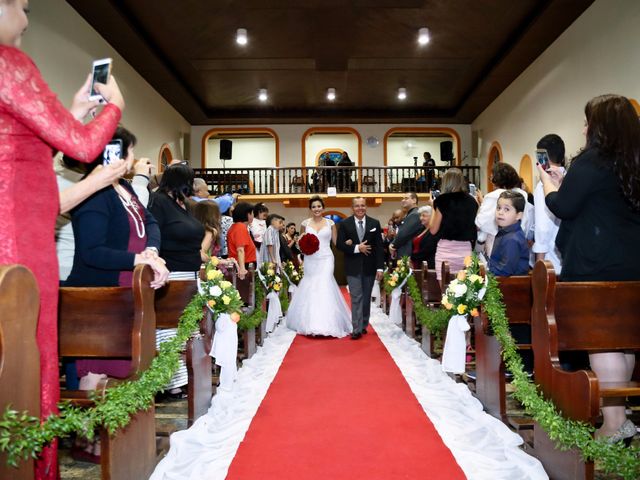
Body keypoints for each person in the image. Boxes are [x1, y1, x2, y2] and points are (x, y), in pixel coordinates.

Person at [0, 3, 127, 475]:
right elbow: (83, 148)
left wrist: (73, 111)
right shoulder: (8, 61)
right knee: (27, 356)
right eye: (24, 7)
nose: (28, 20)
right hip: (17, 234)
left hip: (13, 222)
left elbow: (26, 145)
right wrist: (115, 105)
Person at [537, 94, 640, 443]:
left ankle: (614, 424)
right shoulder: (634, 160)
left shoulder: (593, 159)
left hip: (597, 265)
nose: (584, 128)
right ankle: (621, 418)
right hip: (633, 264)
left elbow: (565, 207)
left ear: (599, 126)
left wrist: (551, 186)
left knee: (602, 341)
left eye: (587, 121)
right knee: (623, 341)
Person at [286, 196, 351, 337]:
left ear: (323, 207)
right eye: (314, 207)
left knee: (325, 284)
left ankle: (328, 323)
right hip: (311, 259)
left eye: (319, 206)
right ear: (310, 209)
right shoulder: (305, 223)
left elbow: (336, 242)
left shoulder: (330, 223)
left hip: (326, 258)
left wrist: (349, 243)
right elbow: (301, 243)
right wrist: (302, 247)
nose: (316, 209)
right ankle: (312, 323)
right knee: (312, 286)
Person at [336, 197, 384, 339]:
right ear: (352, 208)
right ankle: (356, 328)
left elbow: (379, 248)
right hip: (353, 267)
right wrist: (357, 247)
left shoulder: (375, 223)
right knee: (356, 297)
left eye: (362, 205)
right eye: (357, 206)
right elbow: (339, 245)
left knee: (366, 297)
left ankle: (363, 324)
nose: (360, 208)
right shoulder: (345, 224)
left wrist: (380, 268)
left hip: (370, 267)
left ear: (366, 207)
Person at [475, 162, 533, 256]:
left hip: (495, 243)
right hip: (517, 241)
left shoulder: (493, 196)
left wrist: (480, 207)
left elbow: (481, 223)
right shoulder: (522, 195)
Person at [429, 168, 478, 279]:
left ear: (446, 181)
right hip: (465, 250)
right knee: (465, 290)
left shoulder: (442, 200)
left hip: (446, 250)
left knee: (445, 290)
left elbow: (433, 230)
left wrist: (433, 207)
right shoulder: (472, 201)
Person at [532, 134, 566, 274]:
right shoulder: (569, 178)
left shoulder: (544, 185)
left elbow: (543, 226)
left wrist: (539, 265)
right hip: (568, 256)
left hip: (550, 261)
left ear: (542, 156)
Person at [488, 191, 529, 276]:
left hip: (509, 286)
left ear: (518, 215)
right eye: (498, 208)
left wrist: (486, 271)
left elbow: (505, 270)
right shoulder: (506, 232)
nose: (500, 212)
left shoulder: (512, 239)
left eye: (506, 209)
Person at [227, 202, 256, 279]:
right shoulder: (240, 227)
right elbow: (240, 249)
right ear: (248, 214)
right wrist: (242, 269)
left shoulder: (238, 226)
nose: (253, 216)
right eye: (252, 213)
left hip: (243, 264)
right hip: (243, 265)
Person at [389, 192, 422, 259]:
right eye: (402, 198)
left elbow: (403, 234)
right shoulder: (410, 214)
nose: (403, 200)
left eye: (406, 198)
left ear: (414, 200)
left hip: (409, 253)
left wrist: (393, 245)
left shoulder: (415, 214)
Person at [410, 205, 439, 270]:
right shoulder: (421, 229)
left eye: (424, 216)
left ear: (432, 217)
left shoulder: (433, 230)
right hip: (417, 262)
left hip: (428, 265)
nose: (421, 218)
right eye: (420, 215)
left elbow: (428, 249)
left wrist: (412, 257)